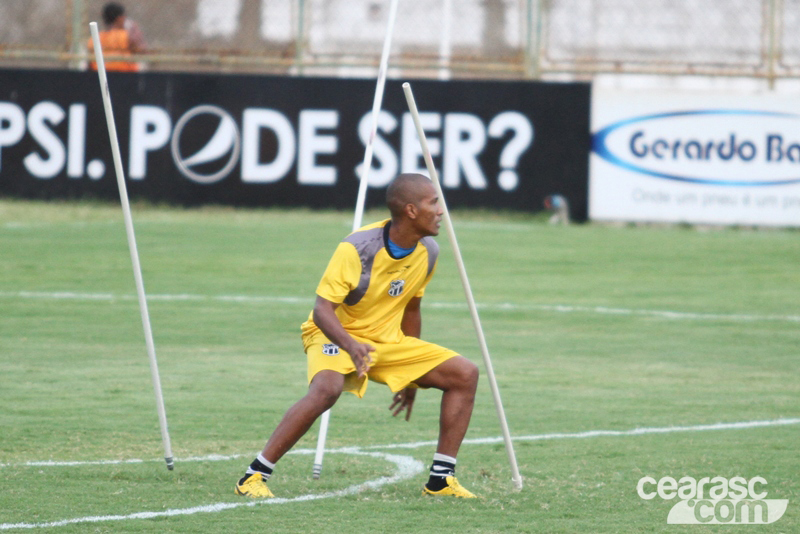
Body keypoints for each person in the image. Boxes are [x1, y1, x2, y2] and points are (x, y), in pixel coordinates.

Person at [235, 173, 480, 499]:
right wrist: (350, 345)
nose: (441, 211)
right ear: (410, 210)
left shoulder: (429, 251)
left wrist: (410, 378)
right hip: (333, 333)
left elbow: (411, 310)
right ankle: (253, 476)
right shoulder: (357, 248)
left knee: (465, 373)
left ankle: (440, 480)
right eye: (433, 202)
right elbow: (322, 310)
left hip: (385, 341)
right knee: (327, 389)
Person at [87, 2, 146, 72]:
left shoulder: (94, 38)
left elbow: (90, 64)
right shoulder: (125, 36)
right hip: (125, 75)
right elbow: (142, 50)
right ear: (120, 18)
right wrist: (134, 29)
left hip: (99, 75)